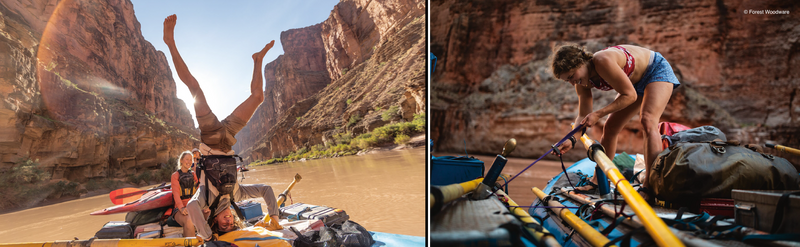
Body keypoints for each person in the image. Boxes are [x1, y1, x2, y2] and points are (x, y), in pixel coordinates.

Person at [163, 14, 282, 241]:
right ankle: (257, 60)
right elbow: (266, 189)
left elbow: (195, 210)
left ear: (215, 220)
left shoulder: (204, 199)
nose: (228, 220)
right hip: (228, 137)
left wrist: (208, 237)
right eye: (231, 222)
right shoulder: (238, 194)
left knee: (194, 86)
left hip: (210, 138)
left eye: (223, 223)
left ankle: (170, 42)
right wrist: (274, 216)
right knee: (258, 97)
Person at [549, 44, 680, 201]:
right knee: (610, 127)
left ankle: (649, 187)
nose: (572, 82)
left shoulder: (602, 61)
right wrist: (571, 139)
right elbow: (583, 114)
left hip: (655, 70)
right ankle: (598, 181)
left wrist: (598, 114)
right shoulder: (581, 82)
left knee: (647, 120)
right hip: (633, 84)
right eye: (567, 80)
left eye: (571, 76)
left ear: (580, 62)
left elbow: (629, 96)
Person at [169, 151, 199, 237]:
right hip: (179, 209)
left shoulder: (193, 174)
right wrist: (182, 208)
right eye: (187, 159)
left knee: (210, 214)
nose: (189, 162)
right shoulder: (175, 176)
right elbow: (176, 194)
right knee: (189, 219)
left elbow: (198, 191)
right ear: (181, 160)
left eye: (191, 160)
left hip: (193, 206)